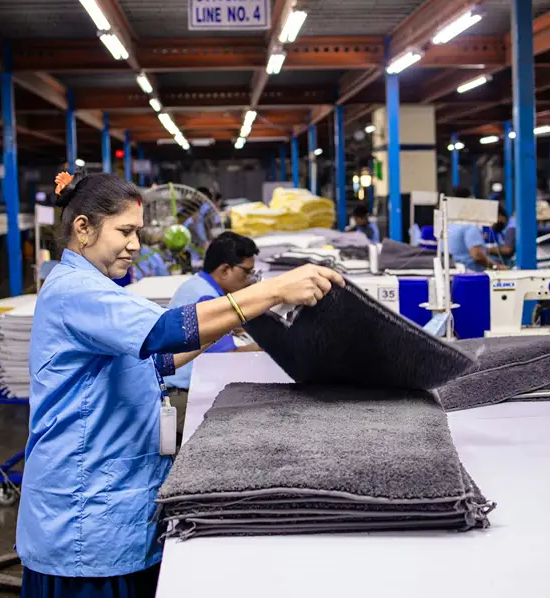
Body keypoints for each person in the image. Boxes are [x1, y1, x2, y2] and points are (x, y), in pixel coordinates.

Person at [18, 171, 343, 598]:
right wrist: (271, 291)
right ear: (83, 228)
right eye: (125, 231)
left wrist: (245, 316)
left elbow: (159, 357)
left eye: (138, 232)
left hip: (114, 505)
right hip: (84, 516)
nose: (136, 244)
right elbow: (163, 331)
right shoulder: (74, 291)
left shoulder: (100, 289)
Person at [166, 231, 262, 442]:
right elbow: (229, 355)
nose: (249, 280)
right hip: (181, 397)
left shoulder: (199, 285)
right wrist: (270, 344)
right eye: (246, 272)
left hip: (177, 388)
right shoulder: (206, 298)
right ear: (225, 269)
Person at [447, 205, 510, 272]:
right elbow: (477, 256)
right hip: (469, 272)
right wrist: (498, 267)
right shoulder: (471, 227)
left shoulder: (452, 225)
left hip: (455, 271)